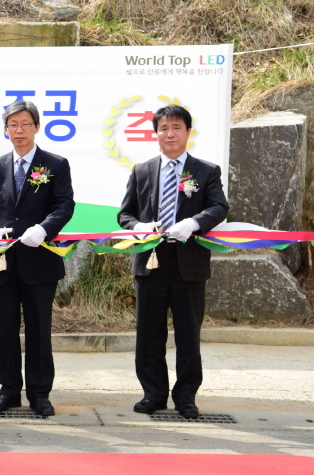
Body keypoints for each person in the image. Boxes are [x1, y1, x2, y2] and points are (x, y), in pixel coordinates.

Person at [117, 105, 229, 418]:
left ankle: (186, 397)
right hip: (150, 262)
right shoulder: (142, 171)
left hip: (189, 264)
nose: (170, 134)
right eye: (164, 128)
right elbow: (125, 214)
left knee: (188, 334)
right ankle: (153, 394)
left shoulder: (206, 170)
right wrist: (138, 227)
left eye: (177, 127)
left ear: (187, 132)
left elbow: (219, 207)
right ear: (156, 134)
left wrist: (193, 223)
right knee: (149, 333)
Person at [0, 100, 75, 417]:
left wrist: (44, 230)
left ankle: (39, 393)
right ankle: (8, 390)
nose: (18, 130)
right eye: (12, 125)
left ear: (36, 126)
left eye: (24, 124)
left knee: (38, 329)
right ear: (5, 130)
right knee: (3, 330)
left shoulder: (55, 164)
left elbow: (64, 206)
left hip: (39, 261)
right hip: (3, 262)